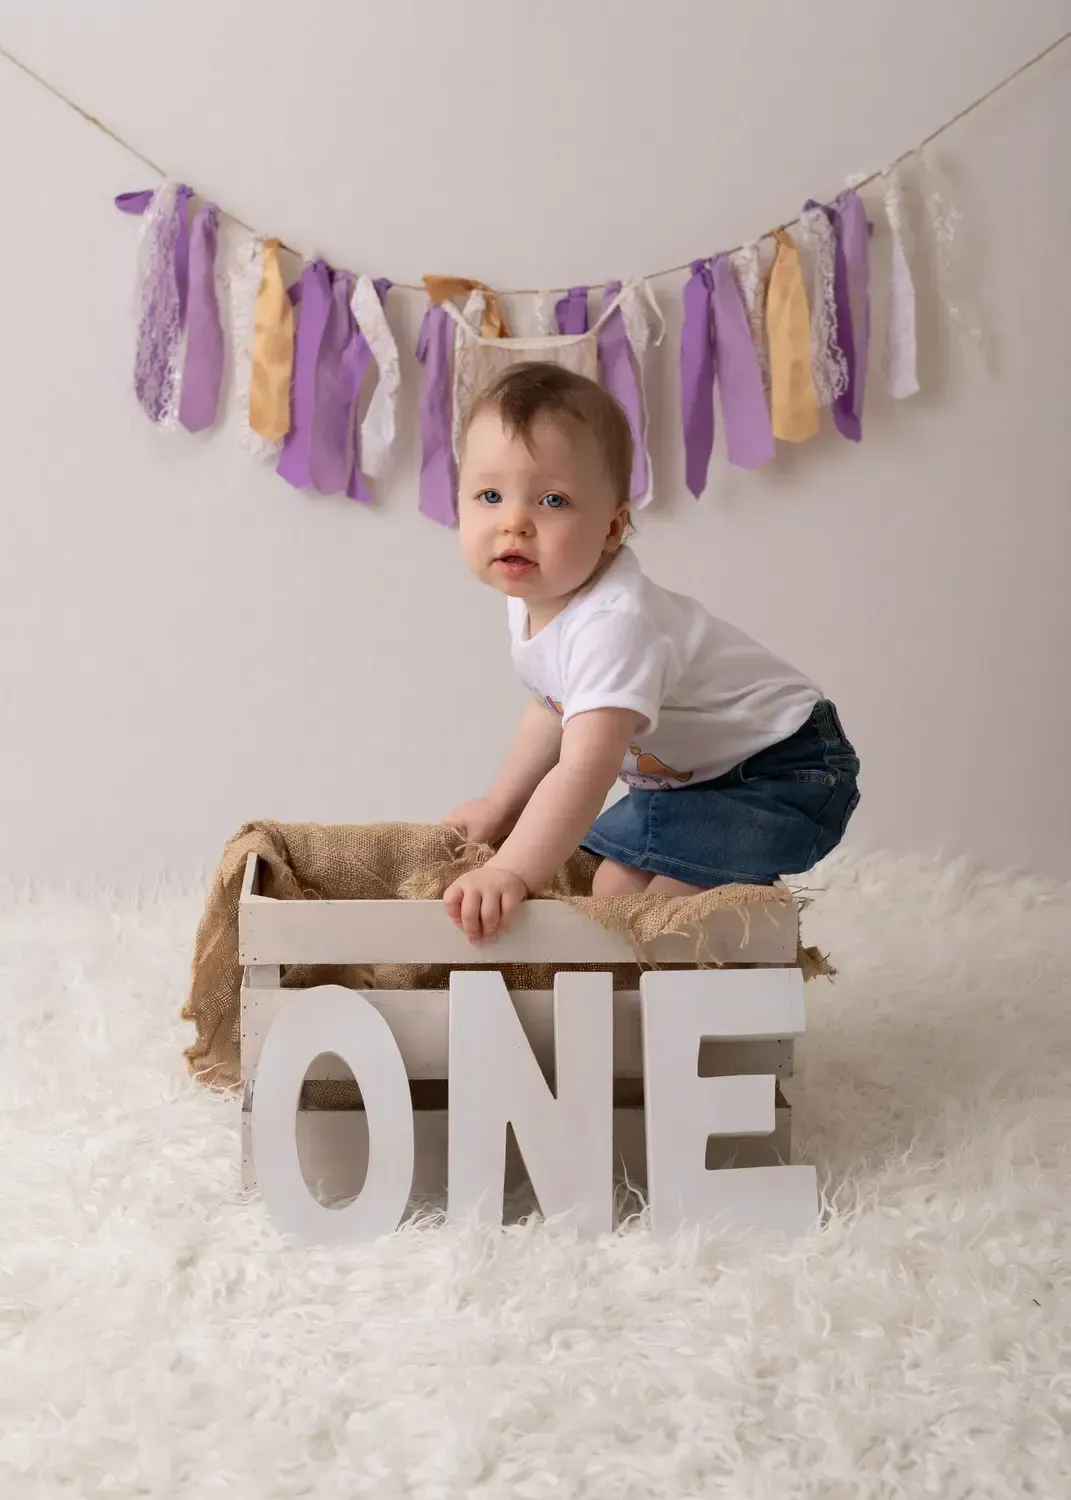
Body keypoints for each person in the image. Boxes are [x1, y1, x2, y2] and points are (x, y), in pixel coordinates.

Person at [443, 362, 859, 943]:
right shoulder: (538, 595)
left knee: (666, 918)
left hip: (781, 764)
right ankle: (654, 1006)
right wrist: (499, 805)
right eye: (490, 495)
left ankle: (738, 981)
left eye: (553, 501)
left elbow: (586, 768)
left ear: (612, 529)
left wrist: (510, 868)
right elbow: (552, 708)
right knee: (613, 891)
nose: (514, 522)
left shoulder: (614, 625)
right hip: (697, 778)